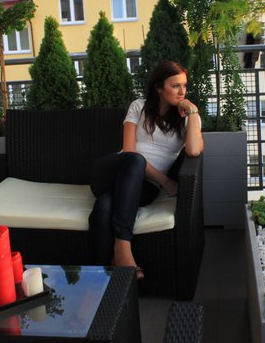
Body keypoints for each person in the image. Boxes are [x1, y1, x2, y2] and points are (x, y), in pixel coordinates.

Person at [87, 60, 204, 279]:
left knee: (104, 206)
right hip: (113, 171)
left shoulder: (187, 117)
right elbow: (129, 151)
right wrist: (166, 182)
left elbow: (194, 150)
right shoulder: (138, 106)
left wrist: (192, 112)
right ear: (159, 87)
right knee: (135, 160)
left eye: (184, 86)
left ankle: (102, 275)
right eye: (175, 86)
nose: (182, 92)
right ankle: (123, 248)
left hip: (144, 188)